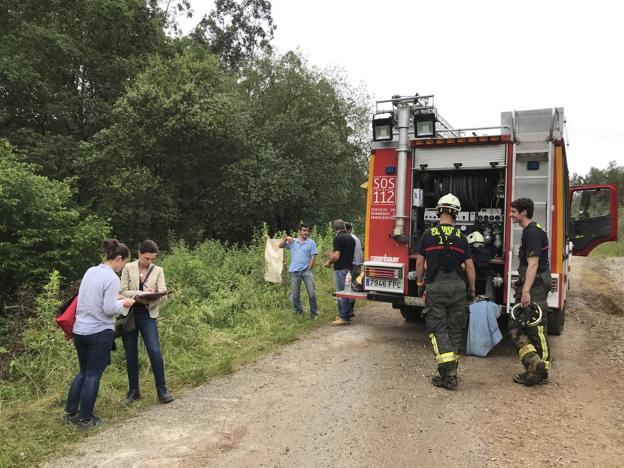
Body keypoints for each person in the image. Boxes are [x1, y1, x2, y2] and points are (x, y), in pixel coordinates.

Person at [64, 239, 135, 429]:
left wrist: (116, 297)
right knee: (93, 375)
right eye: (125, 263)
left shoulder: (91, 271)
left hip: (80, 330)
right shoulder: (112, 278)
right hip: (99, 331)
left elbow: (90, 297)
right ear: (118, 259)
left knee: (83, 372)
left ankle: (70, 413)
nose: (124, 267)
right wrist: (124, 303)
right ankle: (86, 419)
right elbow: (108, 308)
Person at [415, 194, 476, 390]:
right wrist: (472, 290)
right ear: (456, 213)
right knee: (455, 329)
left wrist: (420, 282)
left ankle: (448, 375)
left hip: (436, 286)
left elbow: (419, 262)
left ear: (438, 211)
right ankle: (453, 371)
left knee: (438, 328)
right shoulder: (462, 237)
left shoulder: (428, 234)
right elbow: (470, 266)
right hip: (458, 287)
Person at [120, 240, 174, 404]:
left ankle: (162, 389)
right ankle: (133, 391)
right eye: (146, 258)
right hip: (129, 313)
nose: (149, 262)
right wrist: (140, 293)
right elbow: (122, 291)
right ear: (139, 254)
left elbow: (163, 294)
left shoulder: (158, 271)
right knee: (131, 353)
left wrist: (151, 298)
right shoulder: (128, 268)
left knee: (154, 350)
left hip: (147, 313)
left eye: (152, 259)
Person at [509, 198, 551, 386]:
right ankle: (535, 366)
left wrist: (526, 290)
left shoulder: (532, 233)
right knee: (518, 327)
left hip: (535, 286)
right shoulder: (531, 231)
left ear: (524, 213)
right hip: (532, 283)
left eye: (513, 211)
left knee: (536, 327)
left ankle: (540, 370)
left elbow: (533, 264)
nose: (510, 214)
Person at [279, 224, 319, 318]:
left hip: (306, 271)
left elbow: (313, 256)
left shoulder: (311, 243)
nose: (306, 233)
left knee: (311, 293)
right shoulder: (293, 241)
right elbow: (280, 246)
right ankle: (298, 312)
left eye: (307, 231)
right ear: (299, 231)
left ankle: (314, 313)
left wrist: (309, 268)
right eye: (304, 230)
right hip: (295, 271)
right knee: (295, 294)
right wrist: (286, 238)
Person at [325, 219, 355, 326]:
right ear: (344, 227)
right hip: (349, 269)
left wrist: (329, 261)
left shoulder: (338, 238)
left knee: (341, 293)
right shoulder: (351, 239)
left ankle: (343, 317)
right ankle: (345, 314)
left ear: (335, 228)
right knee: (347, 292)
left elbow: (337, 256)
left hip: (340, 269)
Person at [345, 222, 363, 315]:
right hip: (348, 266)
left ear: (349, 230)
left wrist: (358, 266)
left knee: (351, 288)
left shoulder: (355, 239)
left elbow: (358, 253)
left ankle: (350, 309)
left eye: (345, 230)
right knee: (348, 287)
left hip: (354, 266)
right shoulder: (347, 238)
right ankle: (348, 309)